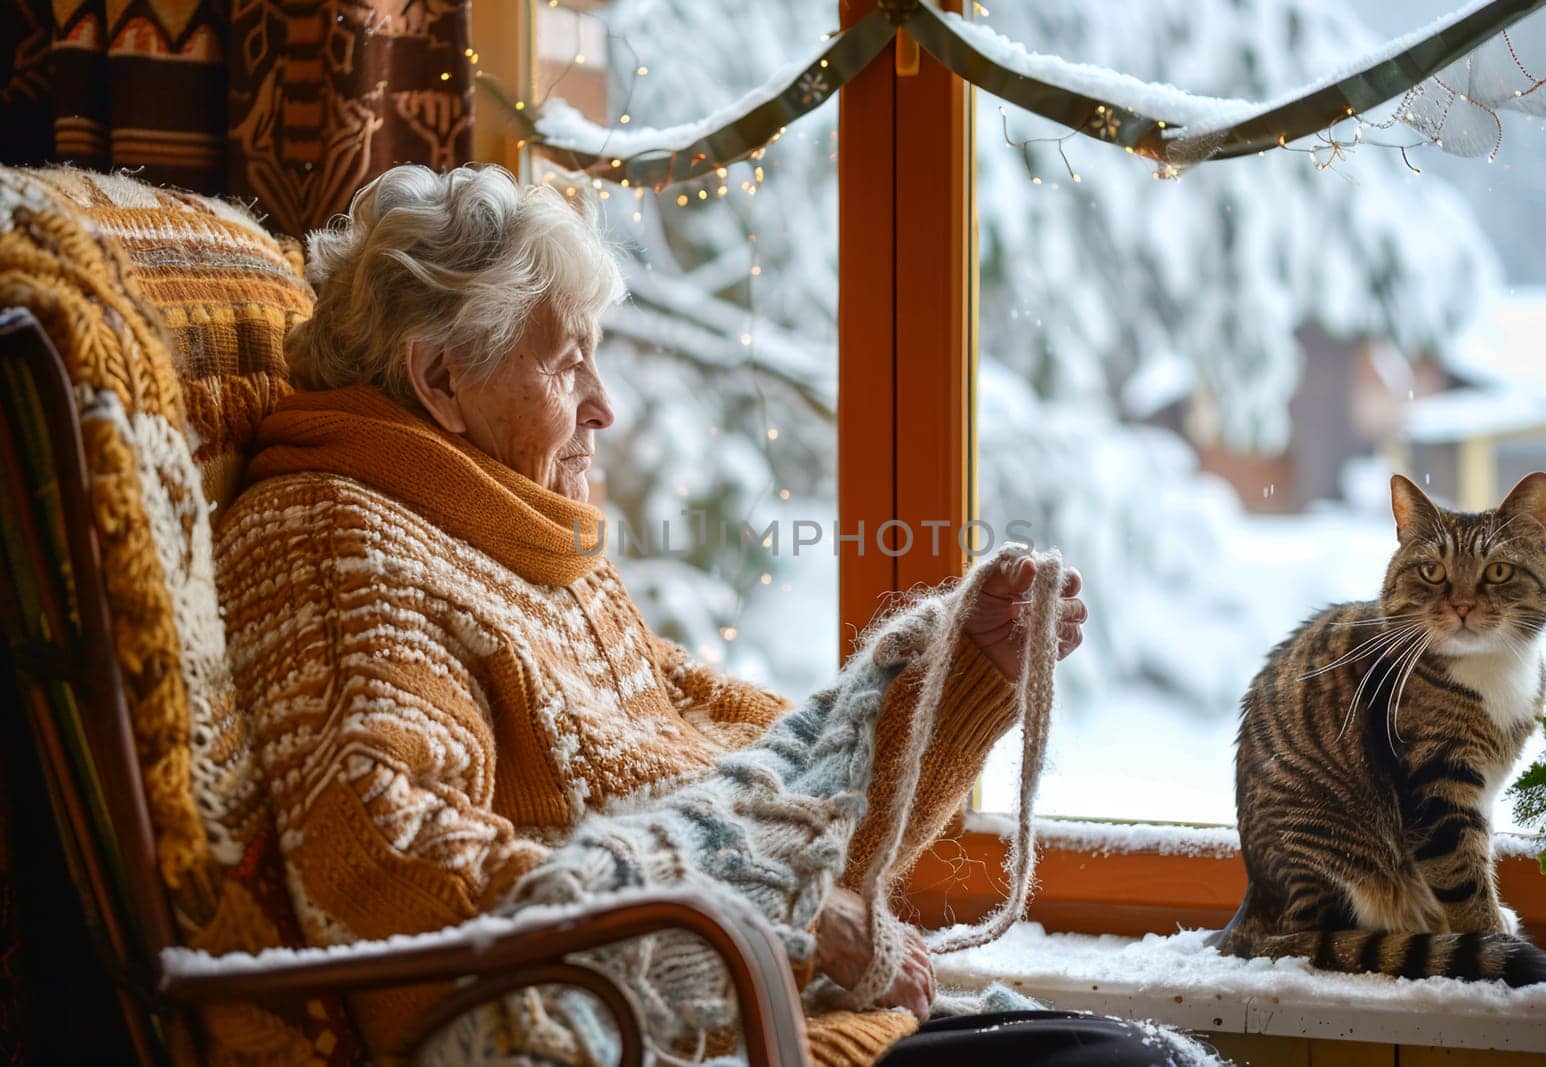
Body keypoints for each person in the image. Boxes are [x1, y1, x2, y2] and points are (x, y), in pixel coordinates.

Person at [216, 163, 1210, 1065]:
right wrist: (782, 912)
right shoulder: (335, 533)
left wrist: (959, 682)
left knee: (1136, 1057)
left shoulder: (513, 542)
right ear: (440, 379)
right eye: (567, 363)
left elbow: (765, 798)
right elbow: (387, 854)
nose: (603, 405)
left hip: (766, 1022)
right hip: (654, 1042)